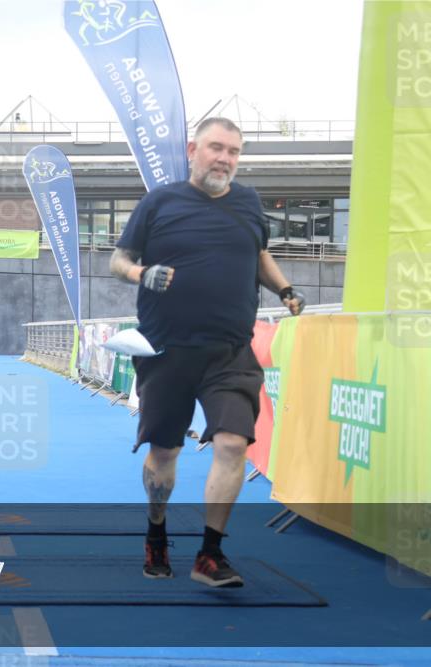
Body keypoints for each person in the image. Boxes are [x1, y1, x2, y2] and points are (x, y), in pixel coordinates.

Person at [110, 118, 305, 588]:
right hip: (167, 350)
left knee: (235, 442)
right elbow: (118, 260)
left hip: (231, 350)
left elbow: (258, 255)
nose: (225, 159)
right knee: (165, 452)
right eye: (217, 148)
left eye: (234, 152)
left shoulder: (249, 202)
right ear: (193, 149)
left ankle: (210, 554)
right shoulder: (160, 202)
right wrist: (143, 275)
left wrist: (284, 289)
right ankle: (156, 533)